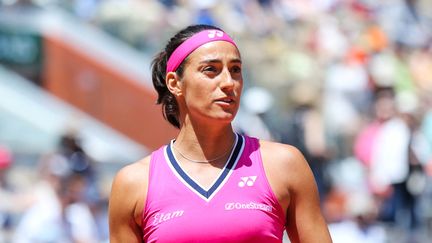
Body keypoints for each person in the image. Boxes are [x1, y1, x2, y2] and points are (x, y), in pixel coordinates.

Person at [109, 24, 332, 243]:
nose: (228, 82)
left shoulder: (284, 164)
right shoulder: (134, 183)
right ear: (175, 83)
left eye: (235, 70)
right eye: (211, 70)